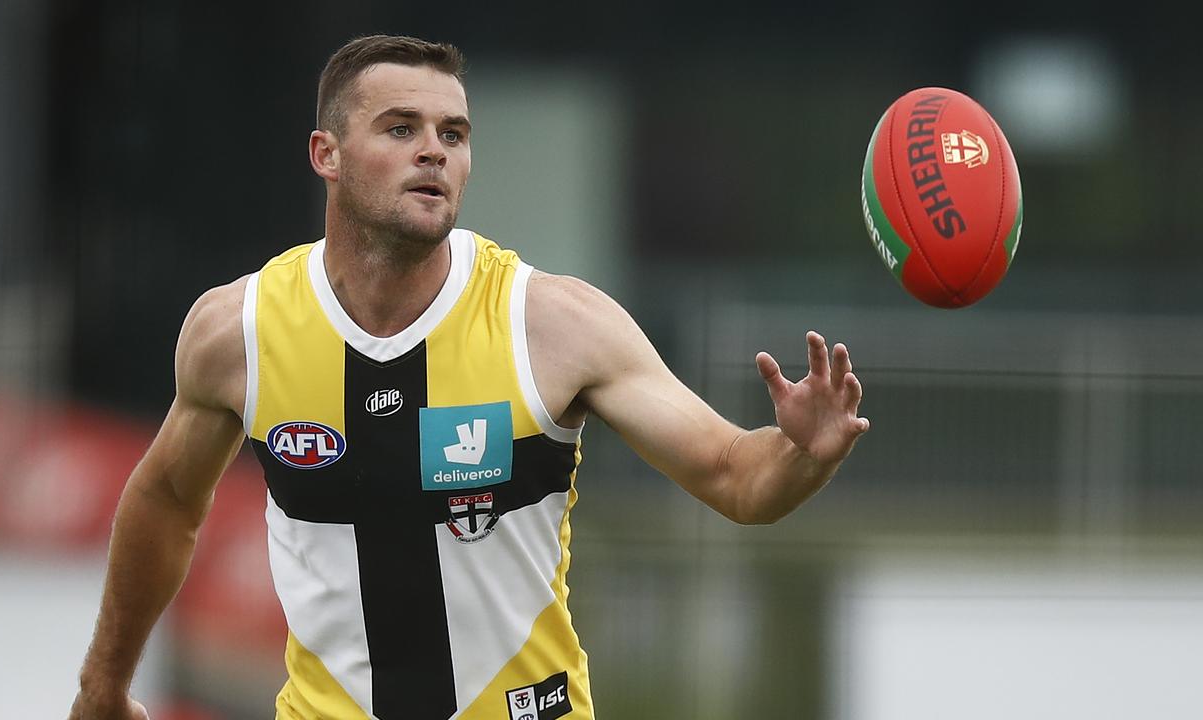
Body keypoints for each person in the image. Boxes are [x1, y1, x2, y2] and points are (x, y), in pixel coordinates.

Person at [68, 34, 869, 720]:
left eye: (454, 133)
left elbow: (738, 478)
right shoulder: (237, 332)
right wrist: (104, 684)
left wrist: (804, 452)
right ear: (327, 155)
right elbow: (166, 502)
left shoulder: (554, 324)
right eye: (401, 127)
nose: (435, 150)